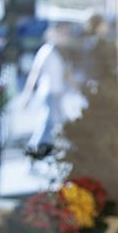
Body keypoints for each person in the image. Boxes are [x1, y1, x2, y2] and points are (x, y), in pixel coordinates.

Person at [21, 22, 73, 154]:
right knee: (48, 124)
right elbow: (34, 73)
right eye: (62, 33)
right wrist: (27, 95)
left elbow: (66, 75)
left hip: (58, 93)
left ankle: (48, 153)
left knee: (57, 124)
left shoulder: (61, 52)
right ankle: (34, 151)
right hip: (49, 93)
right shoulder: (46, 51)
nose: (65, 36)